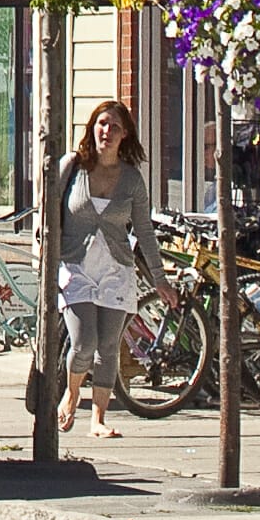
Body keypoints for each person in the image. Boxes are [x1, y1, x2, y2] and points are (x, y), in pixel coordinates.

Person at [51, 99, 158, 442]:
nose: (106, 132)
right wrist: (45, 254)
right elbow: (49, 211)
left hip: (115, 269)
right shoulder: (73, 167)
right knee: (84, 342)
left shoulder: (131, 180)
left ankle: (98, 418)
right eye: (101, 124)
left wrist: (161, 279)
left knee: (108, 346)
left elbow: (144, 231)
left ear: (125, 135)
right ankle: (71, 392)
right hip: (76, 267)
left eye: (114, 126)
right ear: (91, 128)